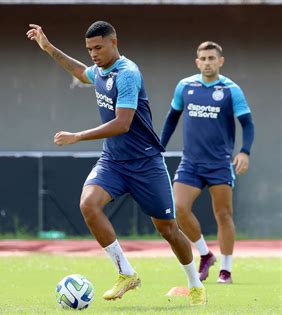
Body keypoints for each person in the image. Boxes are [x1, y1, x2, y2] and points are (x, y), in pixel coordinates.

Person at [27, 21, 206, 305]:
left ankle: (196, 285)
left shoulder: (127, 74)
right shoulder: (98, 70)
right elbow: (79, 72)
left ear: (114, 42)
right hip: (113, 161)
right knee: (88, 204)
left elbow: (123, 123)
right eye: (89, 49)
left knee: (168, 230)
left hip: (146, 163)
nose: (93, 54)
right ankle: (126, 273)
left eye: (98, 47)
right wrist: (48, 48)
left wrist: (78, 136)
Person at [160, 41, 255, 284]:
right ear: (197, 62)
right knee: (178, 207)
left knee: (223, 214)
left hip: (220, 163)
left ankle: (226, 269)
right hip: (190, 162)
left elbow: (248, 123)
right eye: (203, 58)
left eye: (212, 58)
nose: (207, 62)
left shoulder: (231, 90)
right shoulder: (185, 86)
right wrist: (158, 147)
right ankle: (205, 254)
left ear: (220, 61)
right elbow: (171, 120)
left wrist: (244, 151)